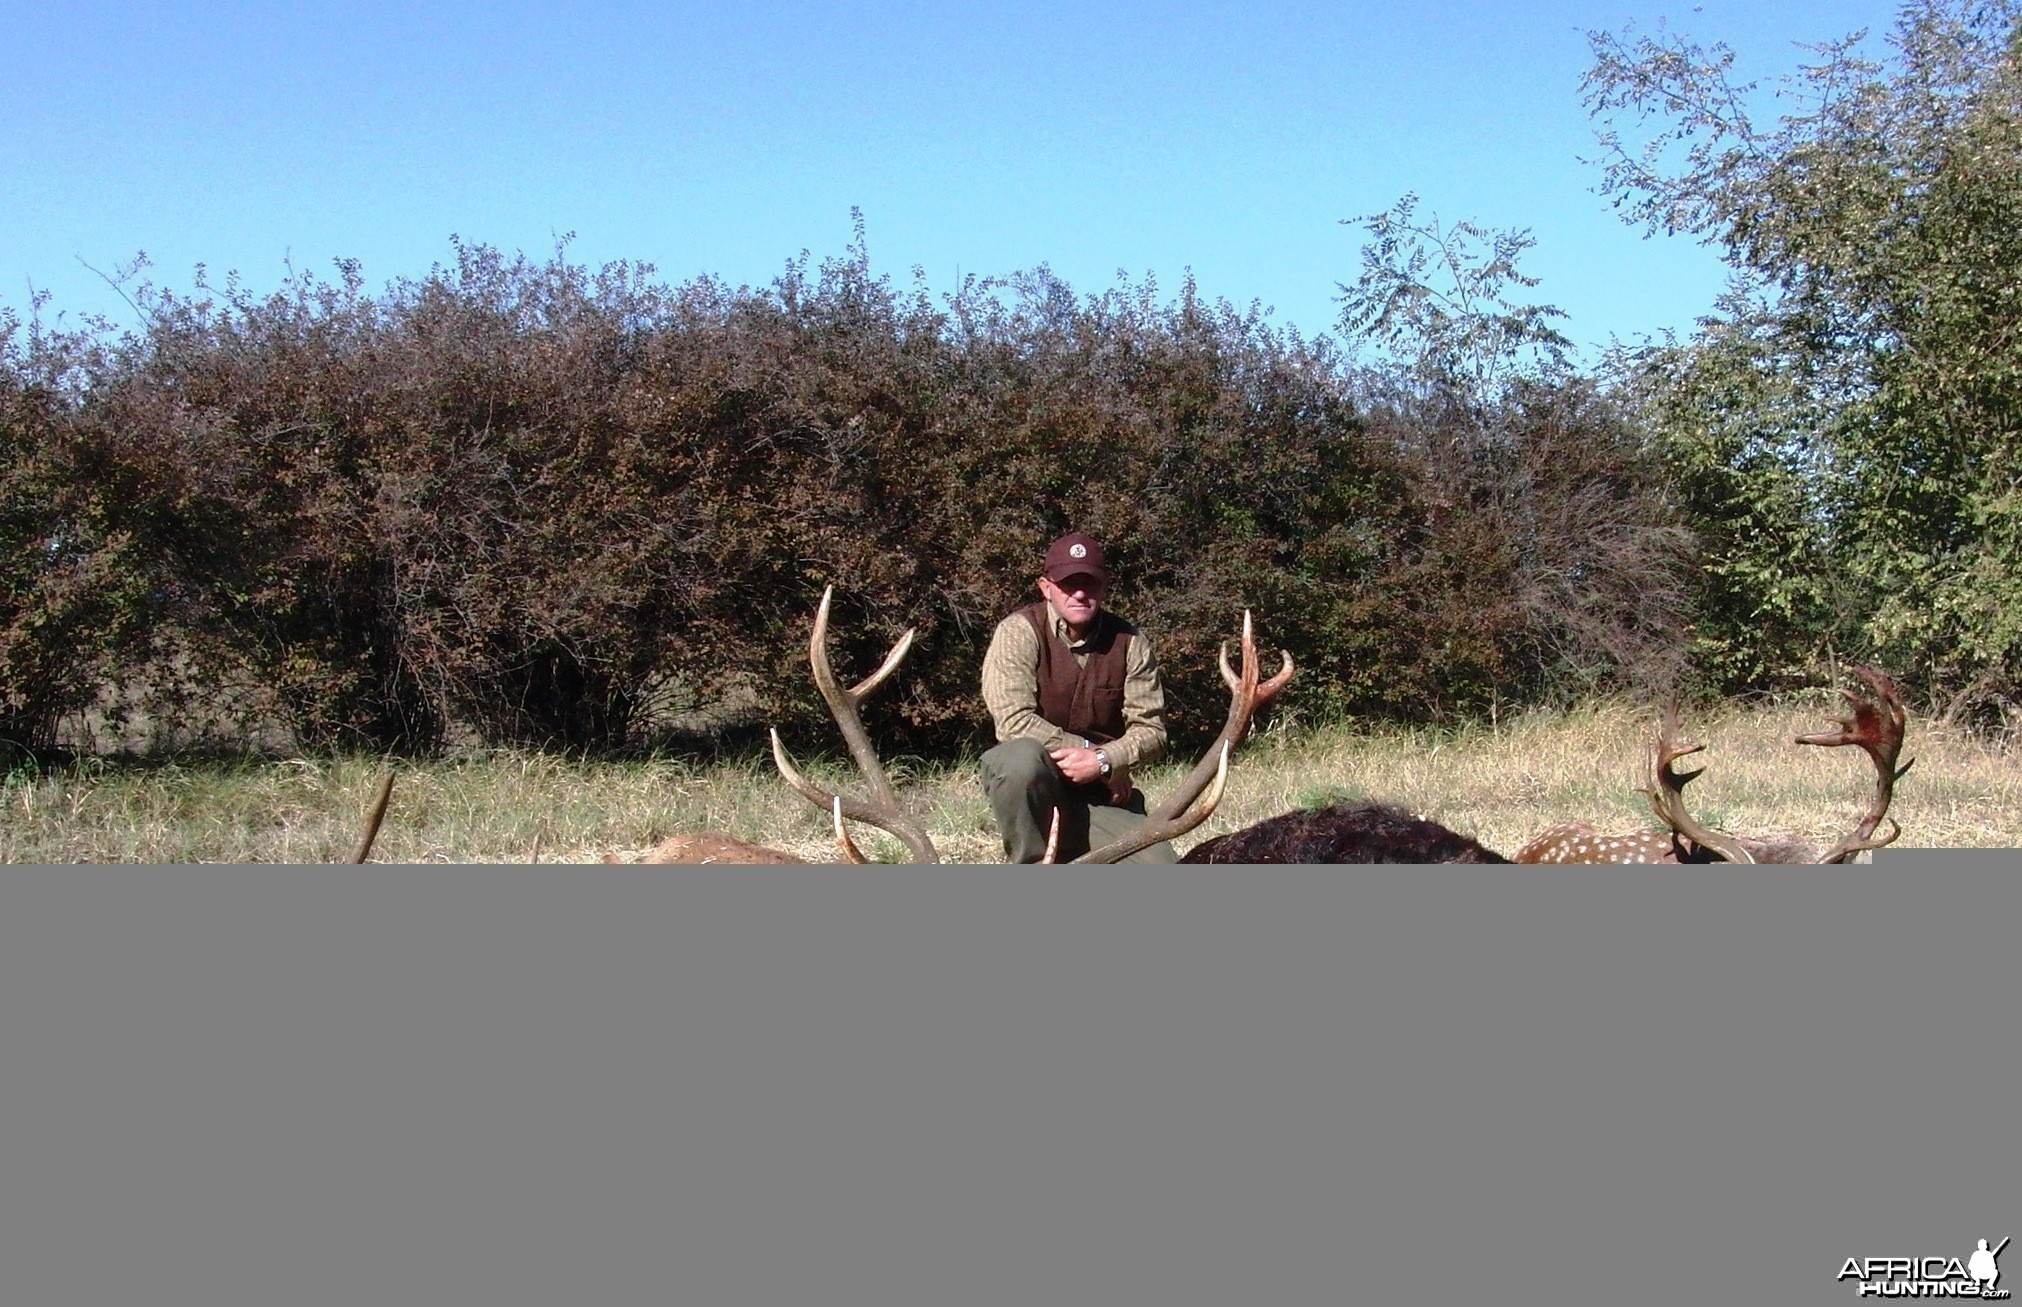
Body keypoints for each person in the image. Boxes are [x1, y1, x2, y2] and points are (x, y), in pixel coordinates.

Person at [979, 532, 1177, 863]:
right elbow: (1013, 722)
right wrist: (1095, 757)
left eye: (1089, 583)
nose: (1080, 593)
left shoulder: (1131, 642)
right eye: (1068, 584)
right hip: (1037, 789)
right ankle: (1029, 865)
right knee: (1020, 759)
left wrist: (1105, 761)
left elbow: (1152, 732)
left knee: (1163, 869)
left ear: (1105, 586)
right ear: (1046, 587)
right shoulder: (1018, 632)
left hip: (1099, 797)